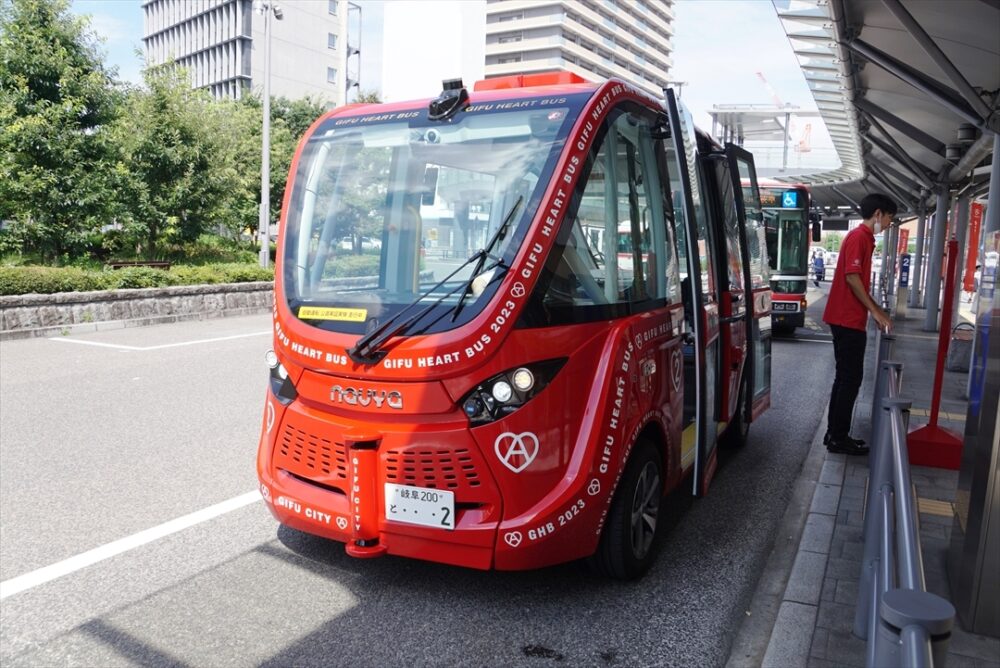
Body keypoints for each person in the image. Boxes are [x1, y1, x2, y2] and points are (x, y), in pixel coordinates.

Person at [823, 193, 896, 456]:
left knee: (845, 377)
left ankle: (834, 434)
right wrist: (875, 312)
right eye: (889, 218)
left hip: (847, 318)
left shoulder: (863, 238)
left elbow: (859, 282)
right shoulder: (859, 238)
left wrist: (876, 309)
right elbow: (852, 277)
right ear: (878, 214)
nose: (889, 224)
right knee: (850, 378)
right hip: (847, 318)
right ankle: (838, 437)